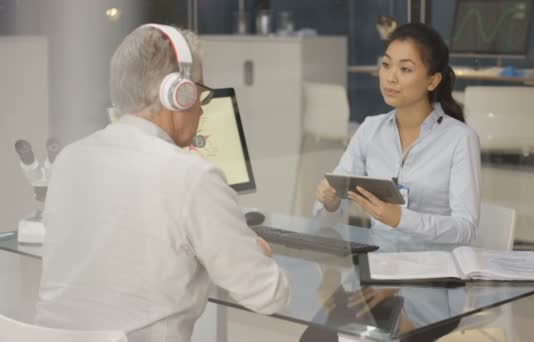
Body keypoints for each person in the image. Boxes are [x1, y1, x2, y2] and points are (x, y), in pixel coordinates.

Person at [35, 24, 289, 342]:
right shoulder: (194, 177)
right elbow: (269, 296)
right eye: (199, 92)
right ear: (178, 93)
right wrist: (254, 250)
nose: (200, 105)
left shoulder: (69, 159)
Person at [314, 22, 481, 244]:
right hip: (379, 266)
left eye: (405, 69)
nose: (390, 77)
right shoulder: (370, 129)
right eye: (386, 65)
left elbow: (465, 230)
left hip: (435, 270)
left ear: (432, 81)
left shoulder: (460, 138)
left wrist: (401, 219)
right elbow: (324, 223)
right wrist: (330, 203)